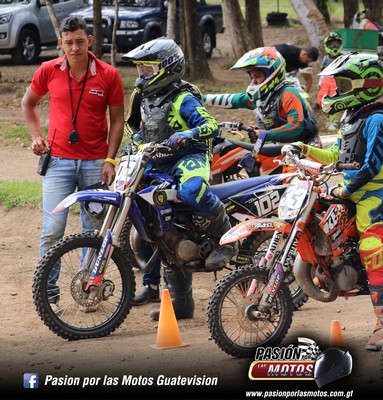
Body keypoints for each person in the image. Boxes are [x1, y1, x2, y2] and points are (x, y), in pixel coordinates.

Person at [281, 52, 383, 351]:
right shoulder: (352, 117)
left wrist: (348, 188)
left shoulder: (378, 119)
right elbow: (336, 156)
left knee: (371, 249)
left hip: (372, 195)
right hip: (347, 190)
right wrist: (304, 148)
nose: (337, 90)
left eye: (343, 84)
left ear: (366, 85)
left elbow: (371, 165)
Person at [121, 37, 238, 320]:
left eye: (148, 69)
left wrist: (187, 134)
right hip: (156, 158)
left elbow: (211, 126)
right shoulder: (143, 97)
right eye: (140, 69)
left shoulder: (183, 98)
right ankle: (179, 303)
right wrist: (134, 143)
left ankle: (225, 240)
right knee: (159, 220)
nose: (142, 75)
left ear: (168, 68)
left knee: (192, 190)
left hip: (189, 156)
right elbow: (137, 127)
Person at [21, 16, 125, 313]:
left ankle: (86, 291)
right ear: (61, 43)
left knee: (93, 232)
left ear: (89, 40)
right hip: (58, 163)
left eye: (80, 41)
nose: (75, 48)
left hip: (96, 164)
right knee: (52, 230)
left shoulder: (108, 74)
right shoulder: (48, 70)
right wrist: (36, 137)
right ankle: (49, 294)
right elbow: (28, 103)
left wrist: (110, 159)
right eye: (69, 43)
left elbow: (117, 120)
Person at [203, 46, 321, 148]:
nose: (254, 82)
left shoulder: (288, 93)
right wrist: (202, 98)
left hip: (305, 146)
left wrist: (264, 134)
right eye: (252, 77)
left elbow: (296, 126)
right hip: (280, 146)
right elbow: (235, 100)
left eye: (258, 76)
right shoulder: (262, 96)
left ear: (272, 74)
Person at [317, 32, 344, 132]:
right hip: (326, 81)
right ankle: (328, 119)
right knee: (323, 99)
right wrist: (320, 82)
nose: (334, 46)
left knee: (335, 99)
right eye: (332, 44)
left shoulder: (343, 58)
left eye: (336, 44)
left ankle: (335, 120)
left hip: (337, 81)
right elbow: (322, 70)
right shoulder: (326, 58)